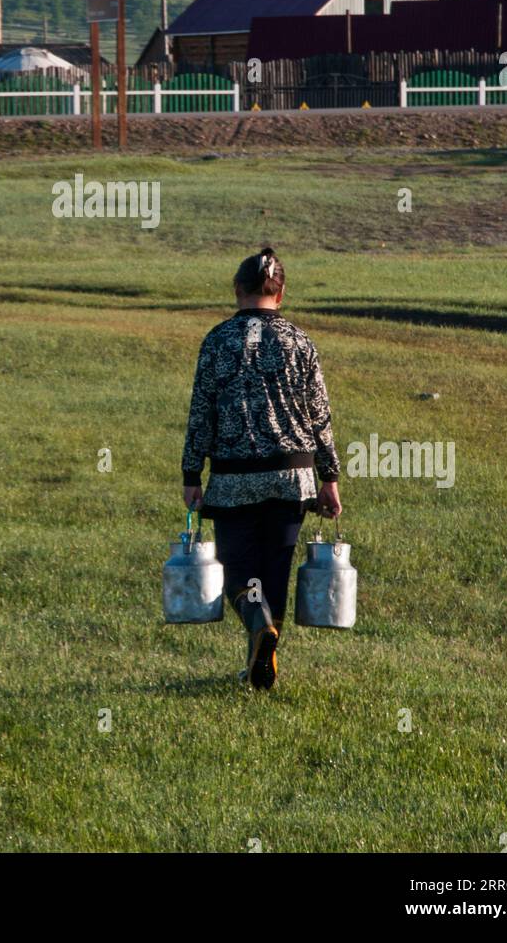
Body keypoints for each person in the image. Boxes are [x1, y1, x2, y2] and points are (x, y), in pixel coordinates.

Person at [181, 247, 342, 690]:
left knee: (236, 572)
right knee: (275, 574)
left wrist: (192, 474)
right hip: (293, 476)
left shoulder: (217, 340)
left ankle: (259, 632)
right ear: (281, 293)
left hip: (234, 477)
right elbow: (319, 416)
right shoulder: (300, 341)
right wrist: (330, 477)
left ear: (237, 290)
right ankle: (263, 664)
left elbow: (202, 414)